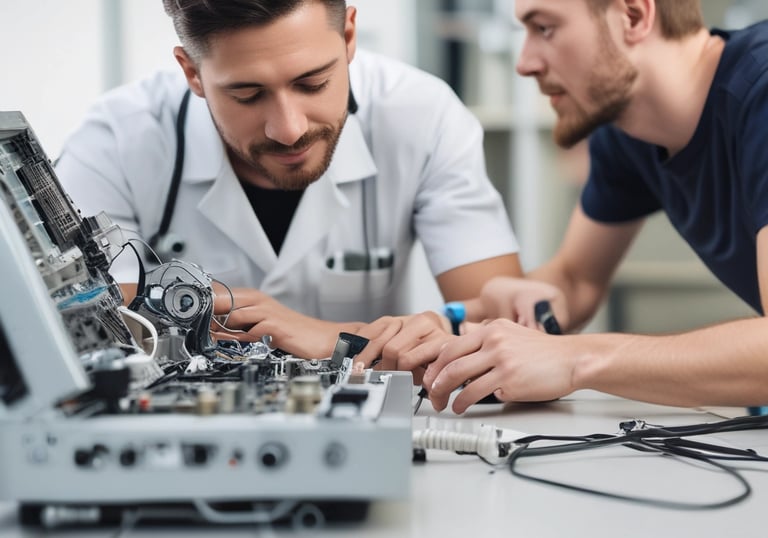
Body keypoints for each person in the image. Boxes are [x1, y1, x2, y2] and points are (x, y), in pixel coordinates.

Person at [359, 0, 768, 413]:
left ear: (633, 16)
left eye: (545, 29)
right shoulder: (630, 132)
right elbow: (576, 281)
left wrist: (576, 359)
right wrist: (465, 325)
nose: (524, 63)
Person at [54, 0, 522, 358]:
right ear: (192, 72)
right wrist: (359, 342)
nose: (289, 128)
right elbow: (85, 329)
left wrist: (326, 339)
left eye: (312, 83)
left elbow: (501, 336)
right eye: (248, 94)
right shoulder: (115, 140)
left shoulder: (423, 115)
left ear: (349, 36)